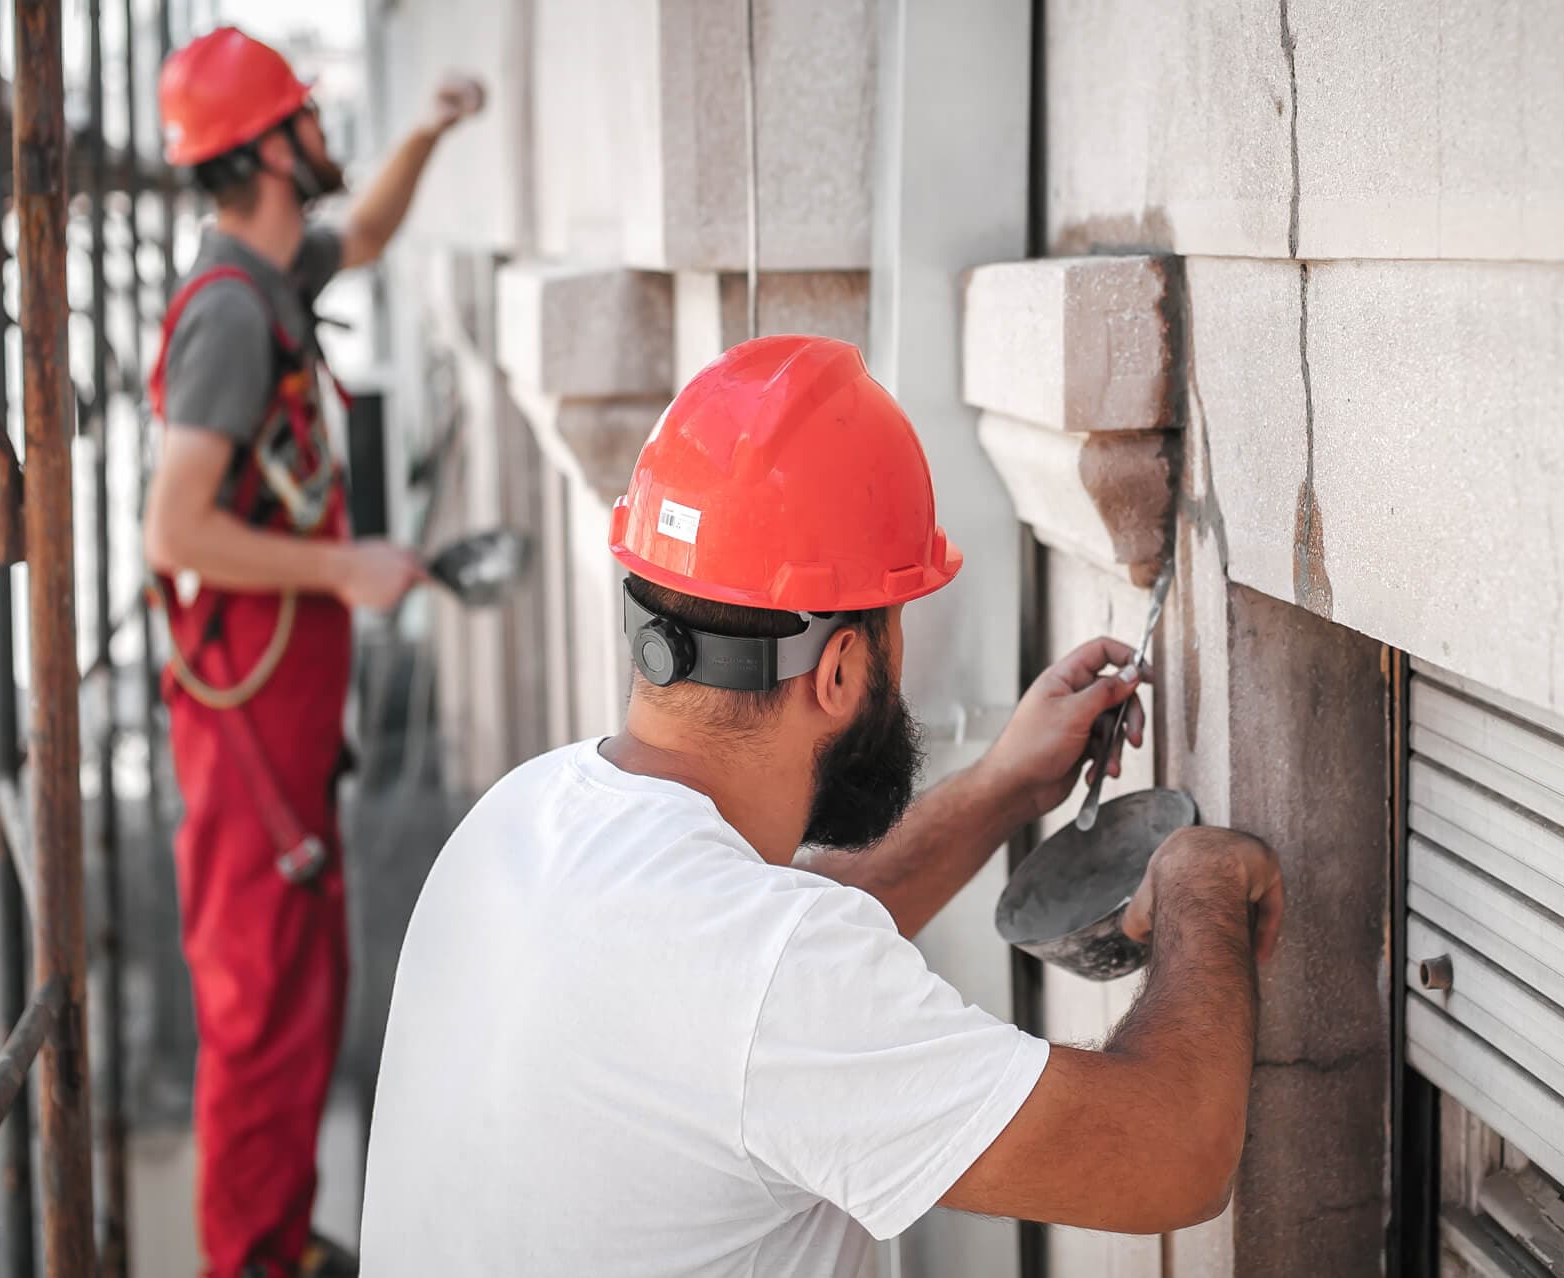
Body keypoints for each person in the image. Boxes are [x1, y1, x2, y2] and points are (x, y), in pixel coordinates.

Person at [358, 335, 1285, 1276]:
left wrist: (1005, 785)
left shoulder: (523, 815)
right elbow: (1173, 1154)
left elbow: (745, 1002)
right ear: (840, 670)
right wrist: (1201, 884)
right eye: (896, 626)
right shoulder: (771, 983)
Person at [141, 26, 484, 1278]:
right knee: (259, 1013)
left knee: (298, 989)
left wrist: (430, 132)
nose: (326, 134)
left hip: (279, 714)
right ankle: (250, 1264)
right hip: (245, 729)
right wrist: (347, 567)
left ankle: (279, 1243)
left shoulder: (271, 276)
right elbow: (174, 525)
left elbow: (374, 232)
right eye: (308, 117)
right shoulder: (231, 317)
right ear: (275, 150)